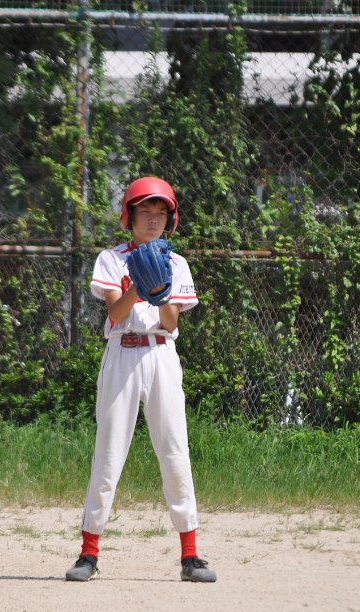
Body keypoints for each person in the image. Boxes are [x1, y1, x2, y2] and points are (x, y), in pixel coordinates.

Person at [65, 176, 217, 583]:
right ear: (128, 217)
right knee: (109, 452)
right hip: (122, 354)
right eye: (145, 211)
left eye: (160, 213)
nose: (153, 219)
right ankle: (88, 553)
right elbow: (116, 314)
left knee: (174, 450)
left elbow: (170, 322)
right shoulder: (112, 258)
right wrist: (139, 285)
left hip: (161, 354)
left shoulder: (176, 263)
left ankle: (190, 555)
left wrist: (160, 290)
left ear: (170, 220)